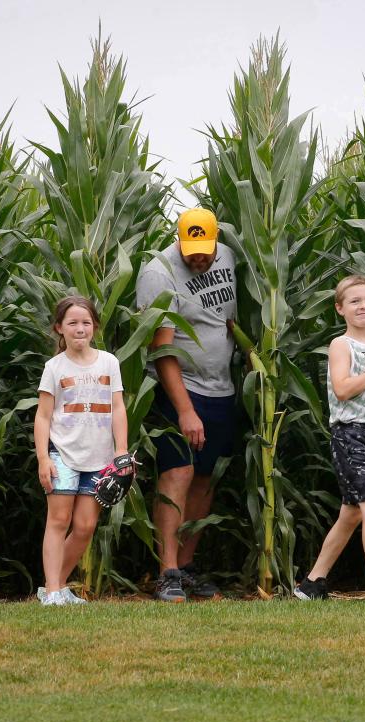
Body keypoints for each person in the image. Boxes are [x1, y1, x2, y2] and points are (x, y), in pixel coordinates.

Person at [136, 208, 237, 602]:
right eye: (191, 251)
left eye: (205, 251)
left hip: (222, 389)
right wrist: (185, 410)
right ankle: (168, 572)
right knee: (177, 473)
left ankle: (188, 566)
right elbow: (162, 348)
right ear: (178, 240)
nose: (199, 258)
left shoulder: (227, 255)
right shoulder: (158, 273)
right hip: (180, 387)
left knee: (205, 478)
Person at [293, 275, 365, 603]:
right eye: (355, 301)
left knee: (352, 513)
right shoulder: (341, 345)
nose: (363, 306)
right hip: (350, 434)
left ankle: (312, 584)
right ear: (340, 308)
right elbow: (342, 390)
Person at [33, 295, 130, 606]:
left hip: (99, 459)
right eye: (72, 323)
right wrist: (43, 458)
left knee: (86, 526)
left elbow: (118, 407)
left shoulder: (109, 362)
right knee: (58, 521)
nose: (80, 328)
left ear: (95, 327)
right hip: (62, 455)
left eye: (86, 323)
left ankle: (57, 586)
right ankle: (52, 592)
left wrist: (122, 451)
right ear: (59, 328)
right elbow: (43, 415)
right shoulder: (54, 367)